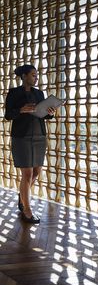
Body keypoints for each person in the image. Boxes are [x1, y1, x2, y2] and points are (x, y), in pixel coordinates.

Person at [4, 64, 55, 224]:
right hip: (22, 137)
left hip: (39, 136)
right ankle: (27, 209)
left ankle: (22, 196)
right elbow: (8, 115)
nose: (36, 77)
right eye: (33, 75)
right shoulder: (14, 93)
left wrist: (50, 113)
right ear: (24, 76)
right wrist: (21, 110)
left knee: (36, 173)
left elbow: (43, 114)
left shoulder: (39, 93)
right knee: (26, 174)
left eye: (36, 75)